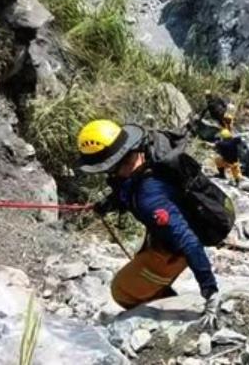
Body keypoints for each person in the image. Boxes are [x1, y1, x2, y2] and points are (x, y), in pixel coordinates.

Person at [77, 119, 221, 328]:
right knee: (139, 270)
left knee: (122, 290)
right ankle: (163, 294)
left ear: (116, 162)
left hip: (173, 250)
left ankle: (164, 309)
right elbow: (126, 190)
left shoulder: (149, 197)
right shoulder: (145, 157)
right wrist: (107, 205)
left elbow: (187, 240)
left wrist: (210, 291)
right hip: (162, 236)